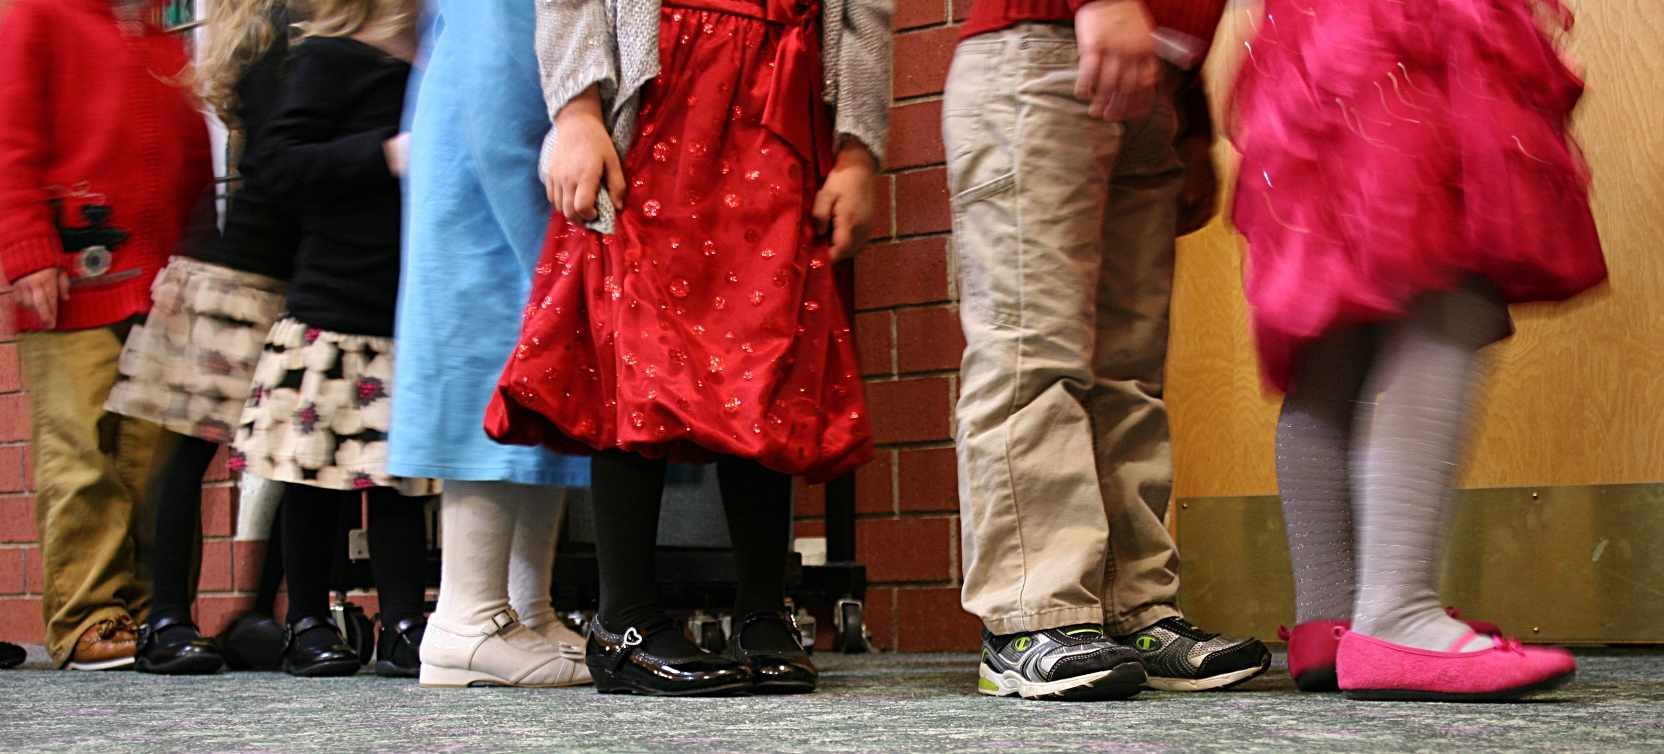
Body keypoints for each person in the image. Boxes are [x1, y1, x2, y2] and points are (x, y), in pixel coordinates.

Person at [485, 0, 892, 696]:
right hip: (665, 92)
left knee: (766, 350)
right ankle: (627, 618)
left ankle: (763, 608)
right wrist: (578, 109)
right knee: (639, 346)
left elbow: (863, 13)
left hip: (779, 106)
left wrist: (858, 152)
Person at [1232, 0, 1602, 701]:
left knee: (1338, 323)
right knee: (1449, 278)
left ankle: (1330, 617)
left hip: (1314, 36)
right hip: (1409, 24)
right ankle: (1395, 614)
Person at [946, 0, 1272, 700]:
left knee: (1128, 371)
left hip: (1153, 79)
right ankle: (1031, 614)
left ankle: (1136, 614)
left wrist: (1189, 117)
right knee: (1033, 350)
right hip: (1044, 48)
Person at [0, 0, 213, 671]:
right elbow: (9, 137)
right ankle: (89, 614)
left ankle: (155, 610)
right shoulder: (34, 14)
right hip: (72, 271)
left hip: (163, 284)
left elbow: (191, 163)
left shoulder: (164, 44)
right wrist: (28, 247)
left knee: (155, 460)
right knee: (83, 450)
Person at [230, 0, 437, 678]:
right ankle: (308, 619)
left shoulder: (432, 63)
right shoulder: (331, 57)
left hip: (403, 311)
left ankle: (404, 618)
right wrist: (381, 154)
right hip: (335, 306)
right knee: (314, 475)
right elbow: (277, 162)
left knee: (401, 482)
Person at [391, 0, 593, 689]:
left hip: (492, 182)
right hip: (492, 202)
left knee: (543, 407)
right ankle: (466, 618)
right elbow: (502, 91)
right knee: (492, 396)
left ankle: (523, 611)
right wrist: (546, 241)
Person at [103, 0, 306, 676]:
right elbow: (283, 153)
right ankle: (167, 616)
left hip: (292, 267)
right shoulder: (276, 28)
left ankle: (256, 612)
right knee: (193, 446)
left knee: (293, 454)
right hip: (239, 268)